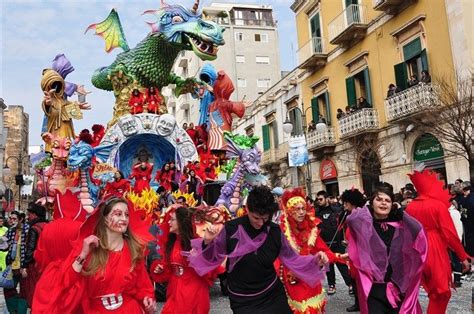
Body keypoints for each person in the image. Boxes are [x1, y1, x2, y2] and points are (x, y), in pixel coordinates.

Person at [188, 186, 328, 314]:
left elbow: (293, 259)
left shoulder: (274, 232)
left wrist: (315, 259)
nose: (261, 223)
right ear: (247, 209)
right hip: (243, 301)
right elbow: (211, 259)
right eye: (256, 218)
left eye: (265, 218)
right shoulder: (230, 229)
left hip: (272, 294)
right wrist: (207, 241)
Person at [54, 198, 156, 313]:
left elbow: (144, 286)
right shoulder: (89, 246)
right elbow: (66, 282)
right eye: (118, 214)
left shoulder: (134, 250)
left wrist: (147, 299)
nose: (124, 219)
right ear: (105, 219)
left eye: (127, 215)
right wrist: (83, 254)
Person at [347, 182, 427, 313]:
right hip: (373, 290)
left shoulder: (399, 225)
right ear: (371, 203)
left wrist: (402, 212)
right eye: (379, 200)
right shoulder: (364, 225)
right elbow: (351, 220)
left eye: (388, 201)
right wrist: (366, 207)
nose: (383, 203)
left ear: (392, 205)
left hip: (398, 289)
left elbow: (418, 231)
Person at [405, 171, 470, 314]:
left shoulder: (410, 207)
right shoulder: (437, 205)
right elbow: (450, 234)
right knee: (441, 293)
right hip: (435, 249)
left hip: (418, 250)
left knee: (434, 292)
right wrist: (463, 257)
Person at [278, 188, 342, 313]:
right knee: (300, 308)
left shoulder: (311, 230)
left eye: (303, 208)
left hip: (311, 275)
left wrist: (337, 256)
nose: (302, 212)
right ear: (289, 211)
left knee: (314, 306)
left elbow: (323, 250)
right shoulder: (283, 232)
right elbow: (276, 257)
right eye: (297, 209)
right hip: (293, 276)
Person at [151, 206, 220, 313]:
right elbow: (168, 268)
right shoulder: (172, 242)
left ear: (181, 222)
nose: (169, 222)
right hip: (175, 289)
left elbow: (210, 268)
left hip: (193, 291)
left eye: (172, 219)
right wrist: (161, 268)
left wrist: (206, 244)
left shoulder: (196, 243)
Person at [315, 190, 351, 295]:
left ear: (327, 199)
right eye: (317, 199)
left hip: (337, 242)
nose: (319, 201)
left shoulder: (337, 210)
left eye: (321, 199)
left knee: (342, 263)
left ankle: (350, 284)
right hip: (324, 244)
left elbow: (345, 221)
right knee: (328, 266)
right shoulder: (316, 212)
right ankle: (332, 285)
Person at [340, 188, 366, 313]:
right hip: (353, 253)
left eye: (346, 202)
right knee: (354, 280)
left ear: (352, 202)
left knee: (359, 280)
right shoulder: (352, 215)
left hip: (359, 256)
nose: (344, 205)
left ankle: (362, 303)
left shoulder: (358, 216)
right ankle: (358, 302)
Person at [21, 203, 48, 308]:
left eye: (30, 214)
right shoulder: (49, 226)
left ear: (35, 215)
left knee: (33, 292)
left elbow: (30, 249)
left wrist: (24, 265)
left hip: (35, 266)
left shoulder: (34, 229)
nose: (28, 217)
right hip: (46, 265)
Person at [5, 211, 29, 314]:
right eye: (10, 218)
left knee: (24, 291)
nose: (11, 220)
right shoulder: (10, 231)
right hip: (12, 265)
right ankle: (14, 310)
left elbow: (29, 249)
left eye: (14, 219)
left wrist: (25, 266)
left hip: (23, 266)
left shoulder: (27, 230)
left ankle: (21, 311)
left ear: (20, 219)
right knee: (8, 289)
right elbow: (7, 248)